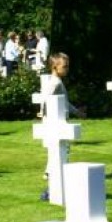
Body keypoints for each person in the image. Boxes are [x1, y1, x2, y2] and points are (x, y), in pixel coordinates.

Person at [39, 52, 85, 199]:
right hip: (55, 123)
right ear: (54, 67)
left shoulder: (58, 81)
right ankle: (51, 189)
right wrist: (42, 111)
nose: (67, 69)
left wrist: (77, 112)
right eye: (64, 66)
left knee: (60, 154)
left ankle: (54, 186)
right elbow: (46, 98)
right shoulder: (55, 83)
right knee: (58, 155)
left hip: (59, 122)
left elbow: (64, 102)